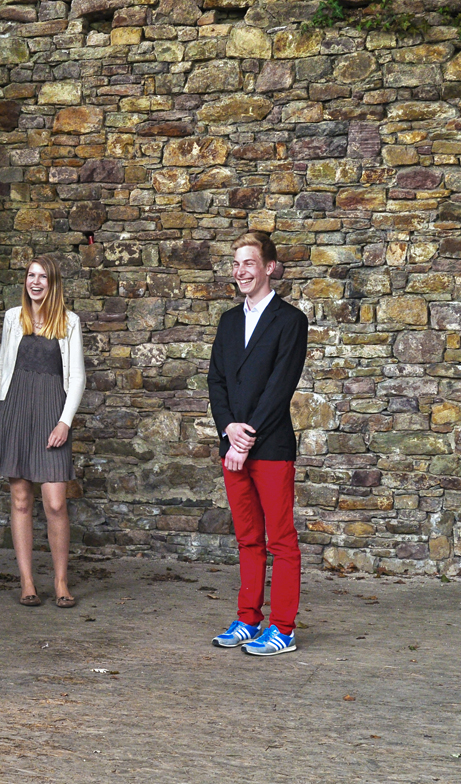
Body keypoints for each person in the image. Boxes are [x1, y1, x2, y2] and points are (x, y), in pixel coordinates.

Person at [207, 231, 308, 656]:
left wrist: (245, 439)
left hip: (269, 447)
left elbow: (279, 388)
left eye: (248, 263)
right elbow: (216, 381)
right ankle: (248, 619)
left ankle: (282, 629)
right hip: (232, 445)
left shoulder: (290, 321)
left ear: (269, 267)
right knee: (248, 538)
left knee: (280, 540)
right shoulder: (229, 321)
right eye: (236, 264)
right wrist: (228, 429)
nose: (240, 271)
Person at [0, 256, 85, 609]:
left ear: (53, 282)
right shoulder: (13, 317)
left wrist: (65, 422)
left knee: (55, 503)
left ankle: (60, 581)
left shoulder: (69, 322)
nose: (36, 282)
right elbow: (3, 368)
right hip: (15, 408)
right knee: (20, 499)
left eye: (43, 276)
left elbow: (77, 377)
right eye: (31, 275)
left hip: (51, 411)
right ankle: (27, 581)